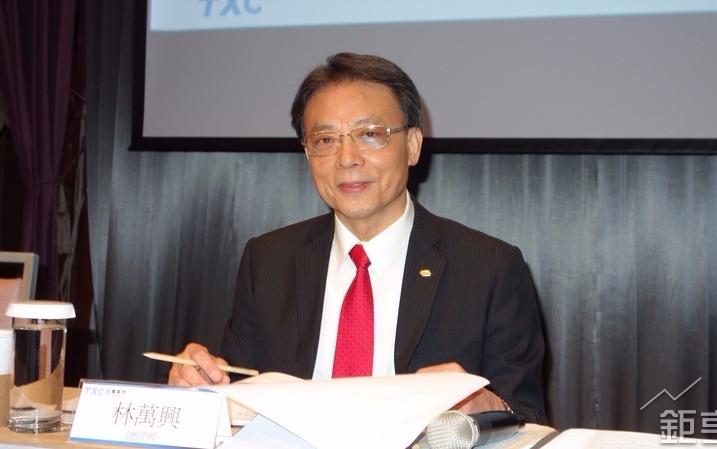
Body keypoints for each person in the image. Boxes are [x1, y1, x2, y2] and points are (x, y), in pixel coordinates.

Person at [169, 52, 547, 422]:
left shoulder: (489, 268)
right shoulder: (268, 260)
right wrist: (202, 385)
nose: (347, 158)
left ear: (412, 145)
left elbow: (527, 416)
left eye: (369, 135)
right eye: (325, 140)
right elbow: (236, 394)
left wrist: (487, 407)